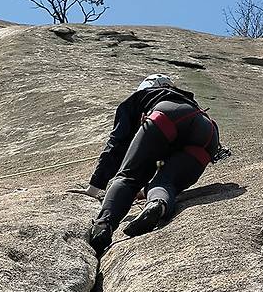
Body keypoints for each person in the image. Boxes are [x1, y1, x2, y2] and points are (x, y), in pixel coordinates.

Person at [76, 74, 225, 253]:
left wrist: (94, 188)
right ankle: (157, 205)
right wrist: (145, 190)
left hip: (166, 117)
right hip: (208, 135)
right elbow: (162, 160)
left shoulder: (139, 98)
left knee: (128, 177)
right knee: (165, 182)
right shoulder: (187, 99)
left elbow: (116, 145)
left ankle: (102, 227)